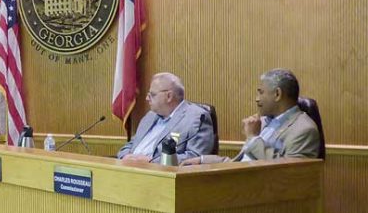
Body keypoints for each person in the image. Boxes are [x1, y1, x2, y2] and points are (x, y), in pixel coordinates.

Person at [182, 68, 320, 165]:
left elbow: (289, 174)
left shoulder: (304, 130)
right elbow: (243, 162)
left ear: (277, 94)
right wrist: (202, 160)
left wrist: (253, 139)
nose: (256, 99)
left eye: (261, 92)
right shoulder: (264, 122)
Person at [117, 72, 215, 164]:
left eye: (152, 95)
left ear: (169, 96)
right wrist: (125, 156)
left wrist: (151, 161)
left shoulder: (197, 118)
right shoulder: (150, 116)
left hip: (161, 176)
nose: (147, 98)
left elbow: (195, 157)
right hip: (129, 170)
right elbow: (131, 144)